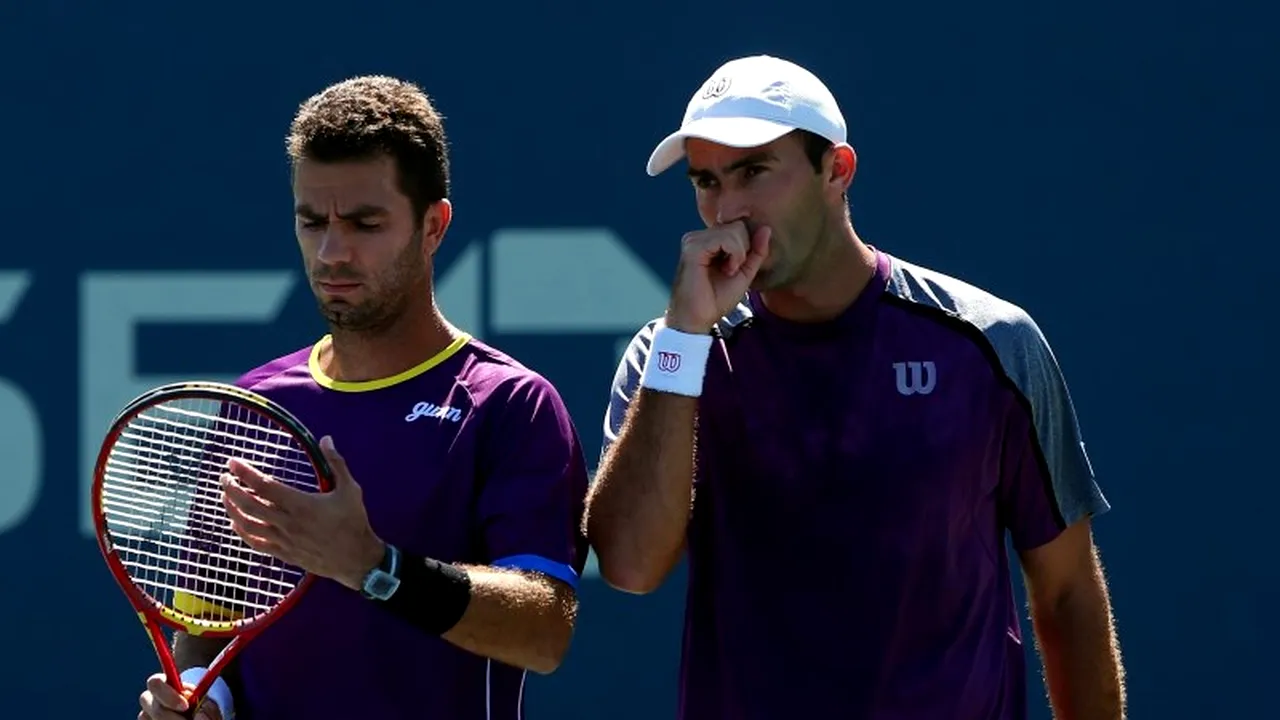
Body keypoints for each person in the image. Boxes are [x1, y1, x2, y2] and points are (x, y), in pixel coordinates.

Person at [584, 54, 1127, 719]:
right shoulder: (671, 356)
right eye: (706, 181)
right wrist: (685, 335)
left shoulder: (991, 344)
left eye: (754, 172)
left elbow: (1068, 591)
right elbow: (631, 568)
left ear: (836, 171)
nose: (727, 210)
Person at [136, 75, 591, 720]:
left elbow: (544, 632)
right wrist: (201, 697)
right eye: (311, 221)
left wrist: (373, 566)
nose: (331, 251)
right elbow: (208, 622)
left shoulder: (511, 406)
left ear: (433, 226)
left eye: (364, 223)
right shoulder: (256, 403)